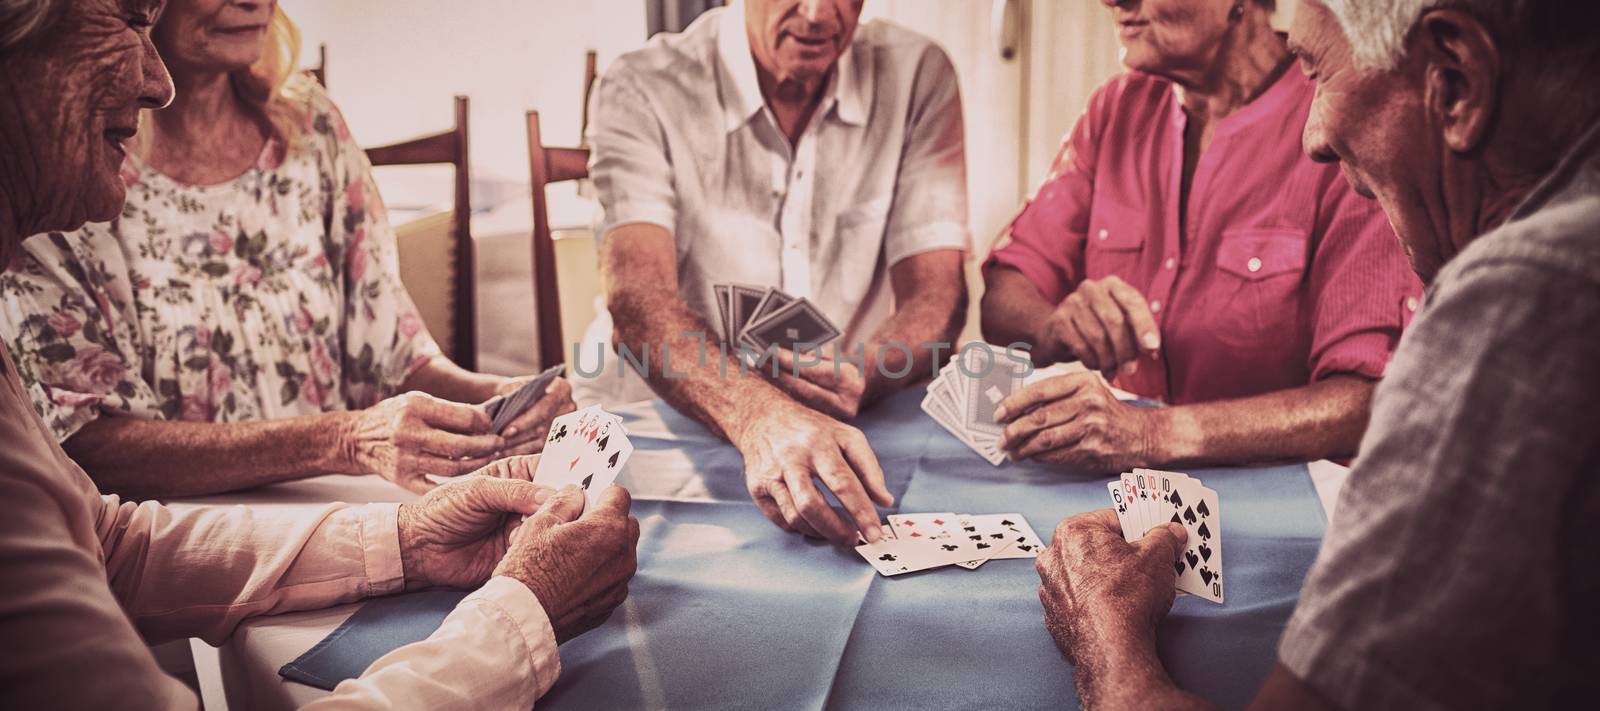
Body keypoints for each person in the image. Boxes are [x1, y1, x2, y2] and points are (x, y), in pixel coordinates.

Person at [0, 1, 639, 708]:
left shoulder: (310, 122)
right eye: (130, 17)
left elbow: (112, 543)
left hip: (316, 538)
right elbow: (95, 453)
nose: (157, 81)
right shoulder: (81, 188)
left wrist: (412, 535)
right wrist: (523, 615)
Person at [1035, 0, 1600, 707]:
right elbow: (1010, 285)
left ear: (1455, 82)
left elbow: (1363, 397)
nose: (1314, 140)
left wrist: (1104, 637)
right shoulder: (1117, 107)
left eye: (1318, 70)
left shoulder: (1523, 298)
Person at [0, 0, 574, 498]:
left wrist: (499, 401)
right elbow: (83, 442)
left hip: (342, 516)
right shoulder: (70, 167)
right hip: (176, 548)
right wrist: (341, 441)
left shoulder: (311, 124)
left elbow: (396, 360)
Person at [585, 0, 970, 544]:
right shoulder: (639, 84)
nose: (816, 14)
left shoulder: (917, 73)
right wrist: (758, 414)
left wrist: (864, 370)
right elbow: (637, 300)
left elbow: (937, 293)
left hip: (849, 422)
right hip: (660, 417)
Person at [981, 0, 1421, 473]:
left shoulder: (1334, 123)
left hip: (1280, 506)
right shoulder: (1115, 109)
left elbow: (1364, 399)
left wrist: (1149, 434)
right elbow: (1004, 294)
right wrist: (1053, 327)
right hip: (1122, 494)